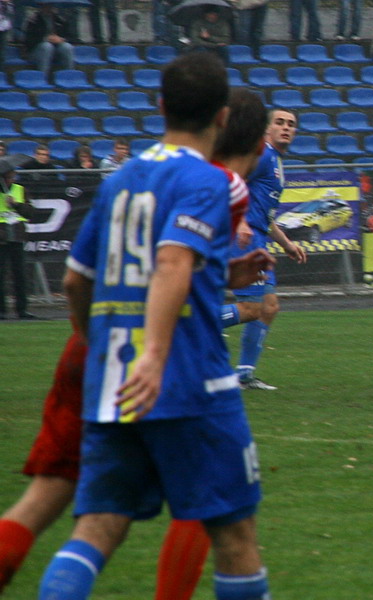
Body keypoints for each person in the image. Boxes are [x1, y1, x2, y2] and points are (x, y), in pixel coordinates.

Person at [0, 86, 273, 600]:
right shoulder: (220, 185)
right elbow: (174, 264)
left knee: (58, 505)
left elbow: (78, 280)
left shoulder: (126, 177)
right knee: (217, 511)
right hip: (168, 361)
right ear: (251, 141)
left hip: (95, 352)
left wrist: (95, 341)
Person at [223, 109, 308, 390]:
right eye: (280, 122)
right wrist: (242, 222)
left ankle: (244, 375)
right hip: (242, 237)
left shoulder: (276, 162)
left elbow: (267, 216)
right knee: (251, 308)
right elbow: (228, 182)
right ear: (267, 129)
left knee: (269, 307)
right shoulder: (262, 155)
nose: (286, 127)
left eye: (291, 124)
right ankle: (189, 324)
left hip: (258, 238)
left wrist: (287, 245)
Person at [0, 168, 36, 320]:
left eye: (12, 176)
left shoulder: (20, 190)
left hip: (17, 236)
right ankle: (2, 310)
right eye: (8, 177)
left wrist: (16, 205)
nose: (10, 180)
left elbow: (29, 212)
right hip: (2, 237)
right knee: (1, 275)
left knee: (20, 274)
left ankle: (22, 309)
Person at [24, 3, 74, 77]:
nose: (48, 8)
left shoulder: (60, 19)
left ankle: (69, 76)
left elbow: (70, 36)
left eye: (50, 6)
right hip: (37, 51)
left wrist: (61, 39)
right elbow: (28, 40)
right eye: (46, 6)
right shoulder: (33, 20)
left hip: (56, 49)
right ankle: (43, 77)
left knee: (67, 47)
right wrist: (45, 39)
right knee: (47, 46)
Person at [0, 0, 12, 71]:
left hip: (4, 28)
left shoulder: (8, 3)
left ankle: (1, 74)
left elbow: (10, 13)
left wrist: (6, 4)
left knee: (2, 55)